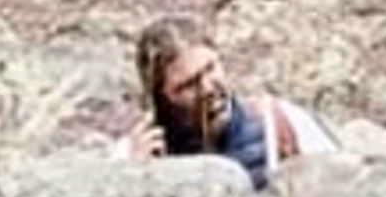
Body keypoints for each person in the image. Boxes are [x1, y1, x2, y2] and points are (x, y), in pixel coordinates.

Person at [138, 20, 325, 186]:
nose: (207, 88)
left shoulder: (279, 122)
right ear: (162, 97)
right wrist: (135, 175)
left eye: (210, 68)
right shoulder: (140, 154)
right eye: (189, 84)